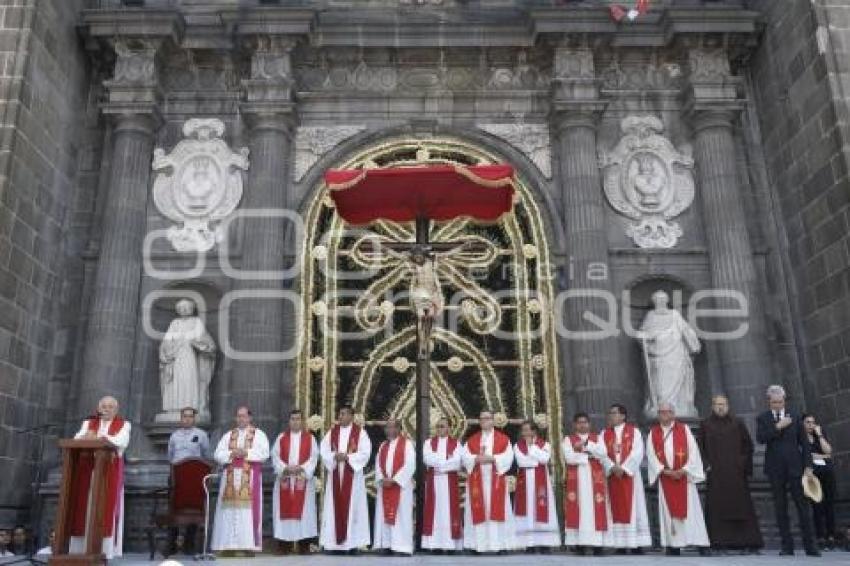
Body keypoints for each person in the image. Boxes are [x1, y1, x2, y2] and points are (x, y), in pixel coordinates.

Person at [756, 384, 819, 556]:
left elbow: (804, 444)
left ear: (784, 400)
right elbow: (761, 438)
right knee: (780, 507)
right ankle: (787, 546)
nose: (778, 405)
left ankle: (811, 546)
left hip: (796, 468)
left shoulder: (796, 416)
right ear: (769, 402)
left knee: (803, 506)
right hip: (775, 468)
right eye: (774, 402)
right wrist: (778, 427)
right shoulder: (763, 418)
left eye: (781, 402)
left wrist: (808, 466)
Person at [698, 395, 763, 553]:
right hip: (716, 474)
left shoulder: (737, 423)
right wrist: (706, 465)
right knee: (717, 508)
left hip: (736, 474)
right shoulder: (706, 425)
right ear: (712, 406)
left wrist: (741, 464)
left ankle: (746, 543)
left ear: (728, 405)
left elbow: (748, 446)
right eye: (717, 404)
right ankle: (719, 543)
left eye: (723, 404)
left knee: (741, 507)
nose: (720, 407)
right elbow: (700, 448)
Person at [69, 395, 130, 559]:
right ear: (98, 408)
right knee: (84, 505)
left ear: (116, 410)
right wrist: (87, 437)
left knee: (105, 507)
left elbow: (120, 441)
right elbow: (77, 439)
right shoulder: (88, 423)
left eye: (110, 407)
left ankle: (103, 550)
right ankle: (80, 548)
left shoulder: (124, 424)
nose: (106, 409)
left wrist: (97, 438)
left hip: (109, 470)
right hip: (88, 469)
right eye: (104, 406)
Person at [646, 402, 710, 556]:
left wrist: (684, 470)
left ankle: (701, 544)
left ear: (673, 414)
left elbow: (693, 451)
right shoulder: (653, 433)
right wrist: (665, 471)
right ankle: (673, 545)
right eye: (661, 412)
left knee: (692, 513)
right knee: (669, 513)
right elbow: (651, 456)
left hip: (684, 478)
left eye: (667, 412)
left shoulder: (684, 429)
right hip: (666, 478)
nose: (664, 415)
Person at [210, 406, 269, 555]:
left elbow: (264, 453)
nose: (241, 419)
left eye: (243, 416)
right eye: (238, 416)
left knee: (246, 512)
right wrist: (232, 453)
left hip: (249, 479)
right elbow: (218, 453)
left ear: (250, 418)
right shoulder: (228, 435)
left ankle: (247, 546)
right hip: (230, 478)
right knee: (228, 511)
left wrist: (246, 452)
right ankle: (227, 546)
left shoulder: (259, 435)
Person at [461, 410, 518, 553]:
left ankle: (501, 545)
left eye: (487, 418)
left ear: (493, 420)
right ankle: (476, 545)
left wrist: (492, 459)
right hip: (477, 479)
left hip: (495, 479)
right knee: (478, 510)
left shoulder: (503, 439)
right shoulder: (472, 440)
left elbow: (508, 457)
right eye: (481, 419)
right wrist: (475, 459)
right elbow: (465, 457)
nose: (484, 421)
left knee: (497, 511)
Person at [319, 405, 372, 554]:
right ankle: (332, 545)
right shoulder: (332, 432)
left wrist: (348, 457)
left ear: (351, 416)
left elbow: (365, 452)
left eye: (343, 414)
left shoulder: (360, 433)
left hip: (352, 477)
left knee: (353, 508)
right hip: (336, 473)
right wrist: (333, 457)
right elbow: (324, 450)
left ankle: (352, 544)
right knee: (333, 507)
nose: (340, 416)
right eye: (339, 414)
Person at [601, 404, 651, 553]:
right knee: (614, 507)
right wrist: (611, 467)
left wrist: (624, 468)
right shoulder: (604, 433)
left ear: (623, 416)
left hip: (630, 477)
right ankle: (620, 545)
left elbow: (638, 452)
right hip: (612, 476)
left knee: (635, 507)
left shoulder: (634, 432)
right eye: (610, 413)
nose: (611, 416)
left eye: (614, 413)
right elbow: (601, 453)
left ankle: (636, 544)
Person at [562, 412, 610, 555]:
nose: (582, 425)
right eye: (579, 422)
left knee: (596, 508)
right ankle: (579, 544)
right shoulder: (568, 439)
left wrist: (586, 445)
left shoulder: (597, 438)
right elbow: (569, 457)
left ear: (589, 424)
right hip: (577, 480)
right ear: (574, 425)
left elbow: (603, 453)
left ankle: (598, 544)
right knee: (579, 508)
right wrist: (589, 455)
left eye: (585, 422)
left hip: (595, 478)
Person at [272, 409, 319, 554]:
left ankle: (303, 544)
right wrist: (285, 468)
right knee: (284, 511)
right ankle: (284, 545)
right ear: (289, 421)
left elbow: (314, 458)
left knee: (304, 512)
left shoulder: (310, 438)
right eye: (293, 419)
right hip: (285, 479)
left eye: (298, 419)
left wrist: (301, 468)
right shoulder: (281, 438)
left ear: (302, 421)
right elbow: (274, 456)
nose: (295, 421)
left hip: (302, 479)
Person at [166, 406, 211, 554]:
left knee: (194, 507)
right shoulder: (174, 436)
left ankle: (189, 544)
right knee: (174, 506)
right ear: (181, 418)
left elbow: (206, 455)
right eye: (184, 416)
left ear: (194, 418)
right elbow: (170, 456)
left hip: (194, 479)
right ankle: (172, 543)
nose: (187, 419)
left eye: (190, 416)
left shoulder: (202, 435)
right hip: (176, 478)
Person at [514, 420, 560, 552]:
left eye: (528, 430)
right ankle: (529, 543)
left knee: (541, 509)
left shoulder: (545, 444)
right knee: (528, 510)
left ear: (534, 431)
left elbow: (545, 459)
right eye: (523, 430)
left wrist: (532, 448)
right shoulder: (517, 446)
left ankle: (545, 543)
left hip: (541, 482)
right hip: (525, 483)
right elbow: (522, 462)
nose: (526, 433)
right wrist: (535, 459)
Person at [373, 418, 415, 556]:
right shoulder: (382, 446)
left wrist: (395, 479)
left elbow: (410, 464)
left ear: (399, 429)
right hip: (385, 486)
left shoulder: (407, 444)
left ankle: (402, 546)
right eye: (387, 427)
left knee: (401, 516)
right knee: (384, 515)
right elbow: (378, 464)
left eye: (392, 427)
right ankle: (386, 544)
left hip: (401, 488)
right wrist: (382, 478)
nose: (389, 430)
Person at [422, 416, 463, 553]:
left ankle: (450, 545)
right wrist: (446, 461)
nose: (440, 429)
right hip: (434, 482)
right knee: (435, 512)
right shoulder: (428, 443)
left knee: (448, 512)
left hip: (449, 482)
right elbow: (427, 459)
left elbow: (457, 462)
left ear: (449, 428)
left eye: (443, 426)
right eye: (438, 426)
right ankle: (435, 544)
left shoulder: (456, 444)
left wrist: (439, 464)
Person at [803, 413, 837, 549]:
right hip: (813, 475)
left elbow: (828, 452)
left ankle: (831, 535)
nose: (811, 425)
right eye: (808, 422)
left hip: (827, 473)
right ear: (803, 424)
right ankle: (820, 536)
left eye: (813, 422)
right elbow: (807, 455)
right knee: (817, 504)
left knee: (829, 504)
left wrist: (820, 435)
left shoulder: (819, 436)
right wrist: (822, 455)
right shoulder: (802, 439)